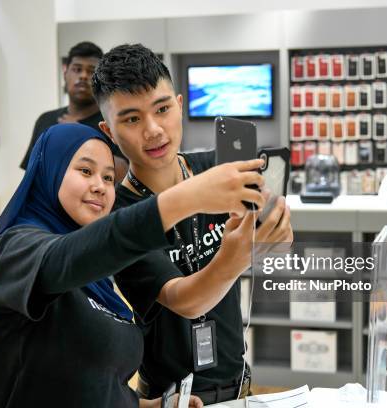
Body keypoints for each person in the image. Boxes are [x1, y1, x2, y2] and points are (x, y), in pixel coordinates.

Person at [0, 123, 267, 408]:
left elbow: (94, 384)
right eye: (85, 171)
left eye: (108, 177)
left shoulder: (97, 274)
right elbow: (70, 257)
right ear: (49, 171)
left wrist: (153, 406)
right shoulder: (16, 250)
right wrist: (183, 201)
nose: (101, 186)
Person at [93, 44, 294, 405]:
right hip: (174, 397)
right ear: (109, 130)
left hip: (238, 383)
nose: (154, 130)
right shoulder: (119, 217)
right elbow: (184, 300)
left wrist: (273, 234)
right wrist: (237, 255)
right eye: (132, 119)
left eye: (163, 109)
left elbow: (274, 249)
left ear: (181, 105)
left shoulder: (217, 170)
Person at [19, 41, 129, 179]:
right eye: (77, 69)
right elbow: (31, 174)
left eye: (91, 71)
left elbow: (124, 172)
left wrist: (80, 137)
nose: (83, 76)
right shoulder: (46, 120)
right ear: (65, 73)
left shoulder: (112, 121)